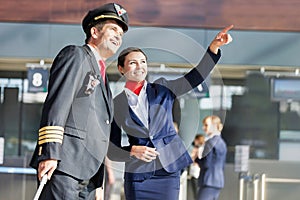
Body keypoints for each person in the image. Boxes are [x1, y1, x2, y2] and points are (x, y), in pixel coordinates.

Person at [107, 25, 233, 200]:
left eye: (143, 62)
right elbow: (112, 150)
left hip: (168, 172)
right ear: (121, 69)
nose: (140, 66)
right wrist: (133, 150)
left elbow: (194, 77)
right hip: (138, 175)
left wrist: (213, 49)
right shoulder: (116, 104)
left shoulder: (162, 88)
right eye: (133, 62)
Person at [29, 3, 129, 199]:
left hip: (89, 175)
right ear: (94, 31)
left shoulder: (103, 76)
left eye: (121, 33)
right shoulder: (76, 55)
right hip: (65, 166)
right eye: (113, 29)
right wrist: (50, 153)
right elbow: (58, 104)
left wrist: (99, 180)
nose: (119, 36)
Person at [195, 115, 227, 200]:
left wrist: (197, 159)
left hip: (208, 180)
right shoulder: (222, 142)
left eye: (206, 125)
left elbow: (206, 163)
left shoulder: (210, 142)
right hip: (217, 181)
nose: (203, 128)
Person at [189, 134, 205, 199]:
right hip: (194, 173)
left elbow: (194, 159)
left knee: (197, 194)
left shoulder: (200, 149)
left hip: (196, 173)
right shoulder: (198, 149)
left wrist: (194, 154)